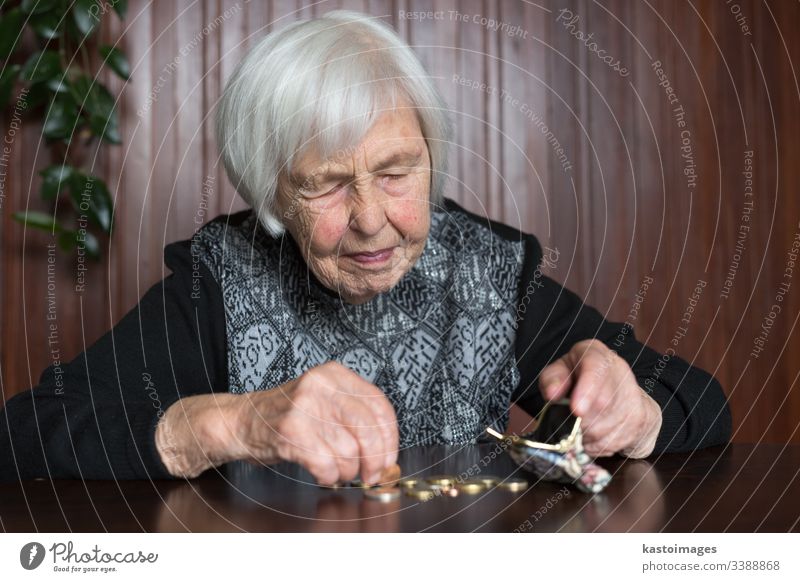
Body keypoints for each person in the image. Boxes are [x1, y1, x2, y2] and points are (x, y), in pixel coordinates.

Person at [0, 11, 731, 484]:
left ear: (430, 158)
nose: (373, 220)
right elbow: (24, 434)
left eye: (395, 172)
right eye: (327, 185)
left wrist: (636, 415)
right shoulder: (216, 284)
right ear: (274, 194)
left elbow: (703, 400)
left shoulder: (486, 271)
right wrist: (227, 423)